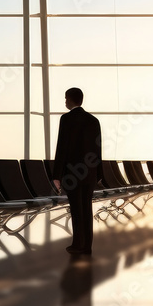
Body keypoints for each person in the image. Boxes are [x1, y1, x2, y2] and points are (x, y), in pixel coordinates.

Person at [52, 87, 102, 255]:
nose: (65, 101)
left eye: (66, 99)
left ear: (71, 100)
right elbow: (98, 149)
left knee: (76, 210)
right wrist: (99, 173)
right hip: (89, 174)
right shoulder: (93, 120)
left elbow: (62, 148)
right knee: (86, 209)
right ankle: (87, 246)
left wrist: (56, 175)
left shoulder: (66, 119)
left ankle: (77, 245)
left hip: (72, 174)